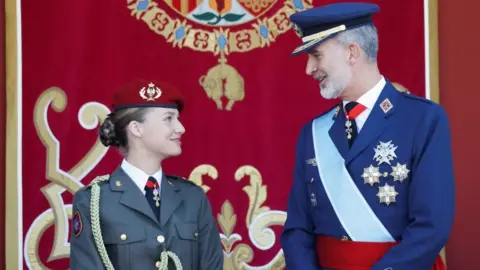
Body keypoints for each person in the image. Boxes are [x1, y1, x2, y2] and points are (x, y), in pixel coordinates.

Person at [280, 2, 455, 270]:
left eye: (316, 55)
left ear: (352, 52)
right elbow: (297, 229)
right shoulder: (312, 134)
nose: (309, 68)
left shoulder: (423, 120)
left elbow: (431, 225)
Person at [70, 79, 224, 270]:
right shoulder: (93, 201)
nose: (180, 128)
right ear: (136, 128)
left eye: (178, 119)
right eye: (168, 118)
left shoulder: (193, 198)